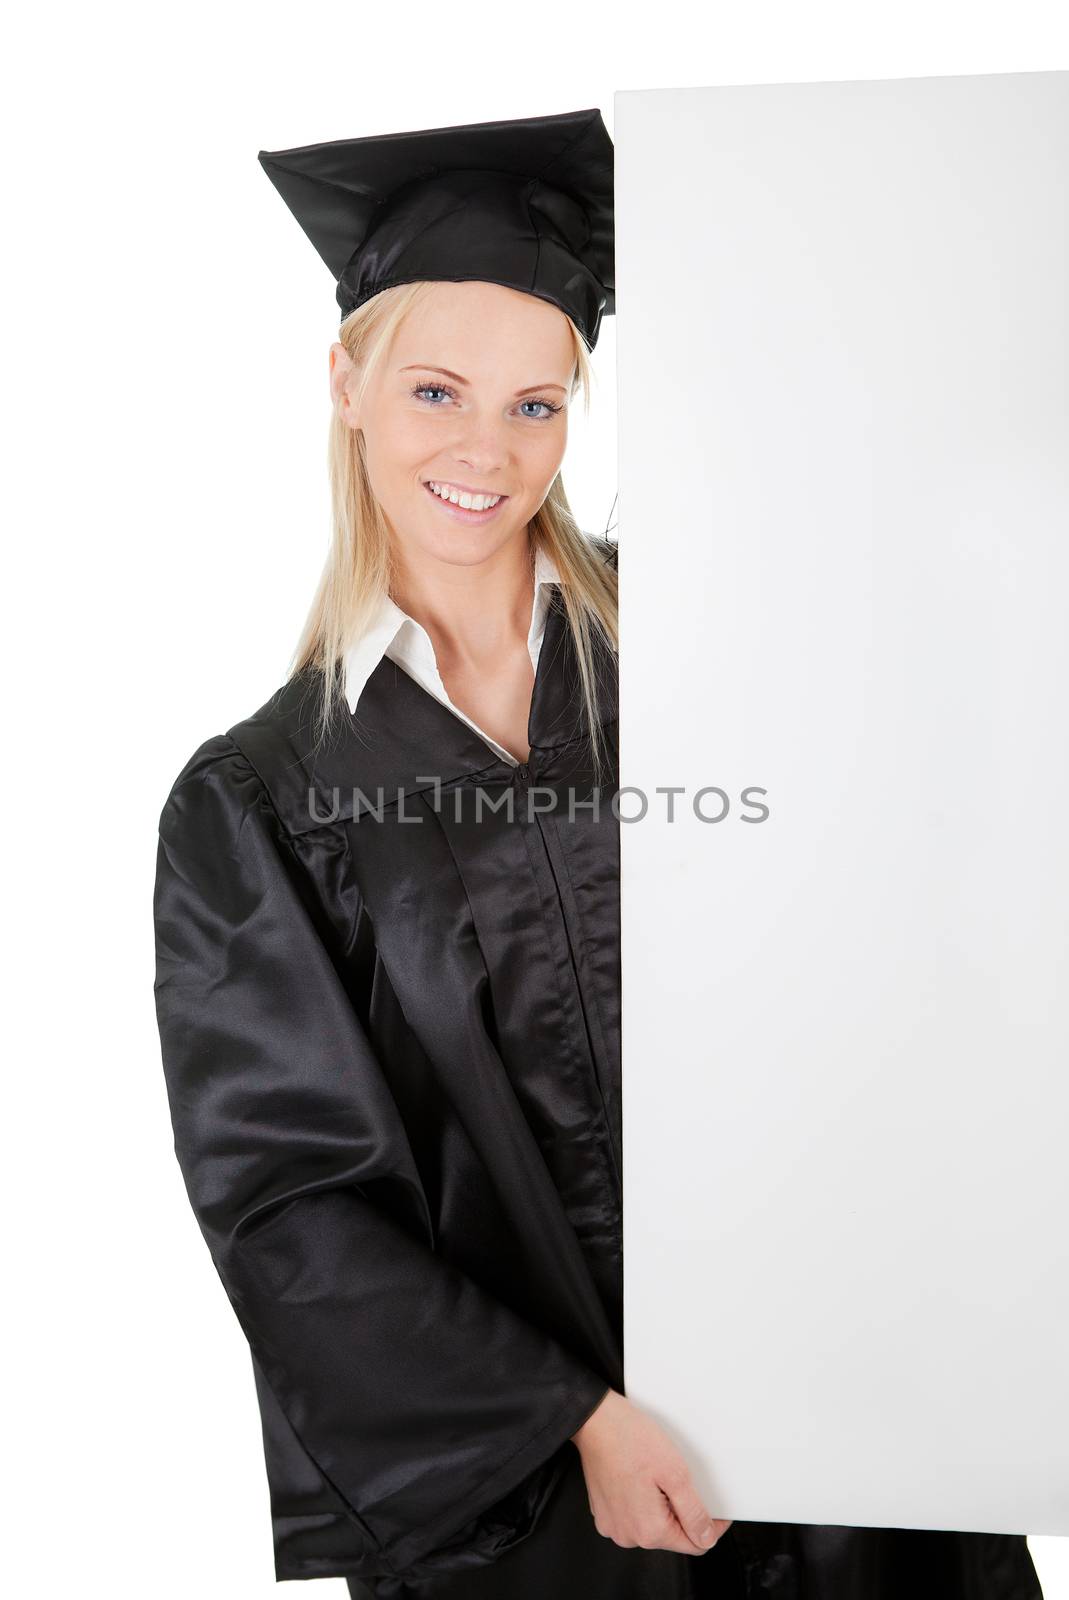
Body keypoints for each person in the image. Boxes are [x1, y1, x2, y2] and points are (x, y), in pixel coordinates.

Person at [152, 108, 1044, 1599]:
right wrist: (570, 1420)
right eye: (436, 388)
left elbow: (917, 928)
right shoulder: (259, 799)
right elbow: (292, 1202)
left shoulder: (726, 633)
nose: (484, 452)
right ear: (346, 383)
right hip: (549, 1502)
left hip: (867, 1443)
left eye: (537, 404)